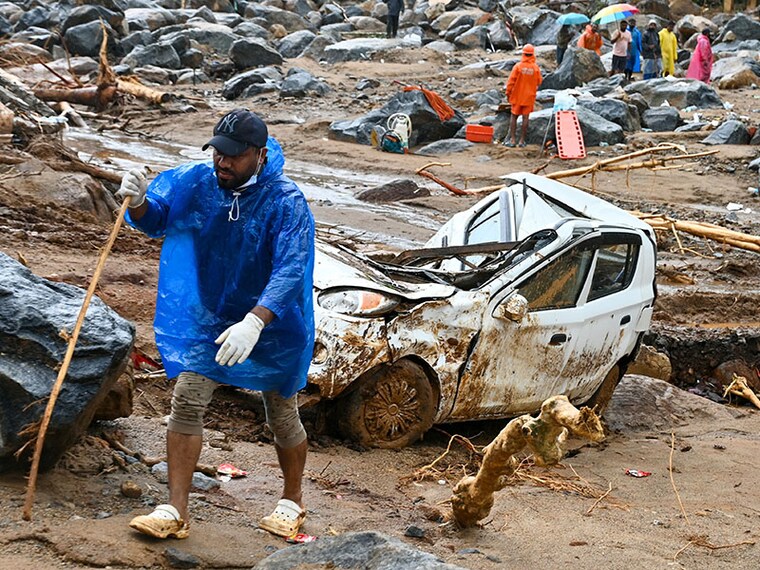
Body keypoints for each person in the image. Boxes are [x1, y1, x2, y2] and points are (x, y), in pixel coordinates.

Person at [120, 109, 315, 540]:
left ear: (260, 155)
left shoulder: (286, 202)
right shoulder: (200, 182)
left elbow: (290, 269)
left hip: (273, 326)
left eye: (233, 156)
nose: (222, 163)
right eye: (217, 153)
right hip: (210, 319)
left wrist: (256, 321)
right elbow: (159, 218)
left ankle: (292, 501)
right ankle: (175, 510)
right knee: (187, 399)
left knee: (281, 412)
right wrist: (139, 202)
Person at [503, 44, 542, 148]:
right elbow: (539, 81)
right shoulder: (535, 68)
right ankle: (522, 141)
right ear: (533, 54)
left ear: (523, 54)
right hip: (529, 97)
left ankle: (512, 140)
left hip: (517, 96)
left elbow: (511, 82)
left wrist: (508, 93)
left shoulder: (518, 67)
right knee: (525, 118)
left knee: (514, 116)